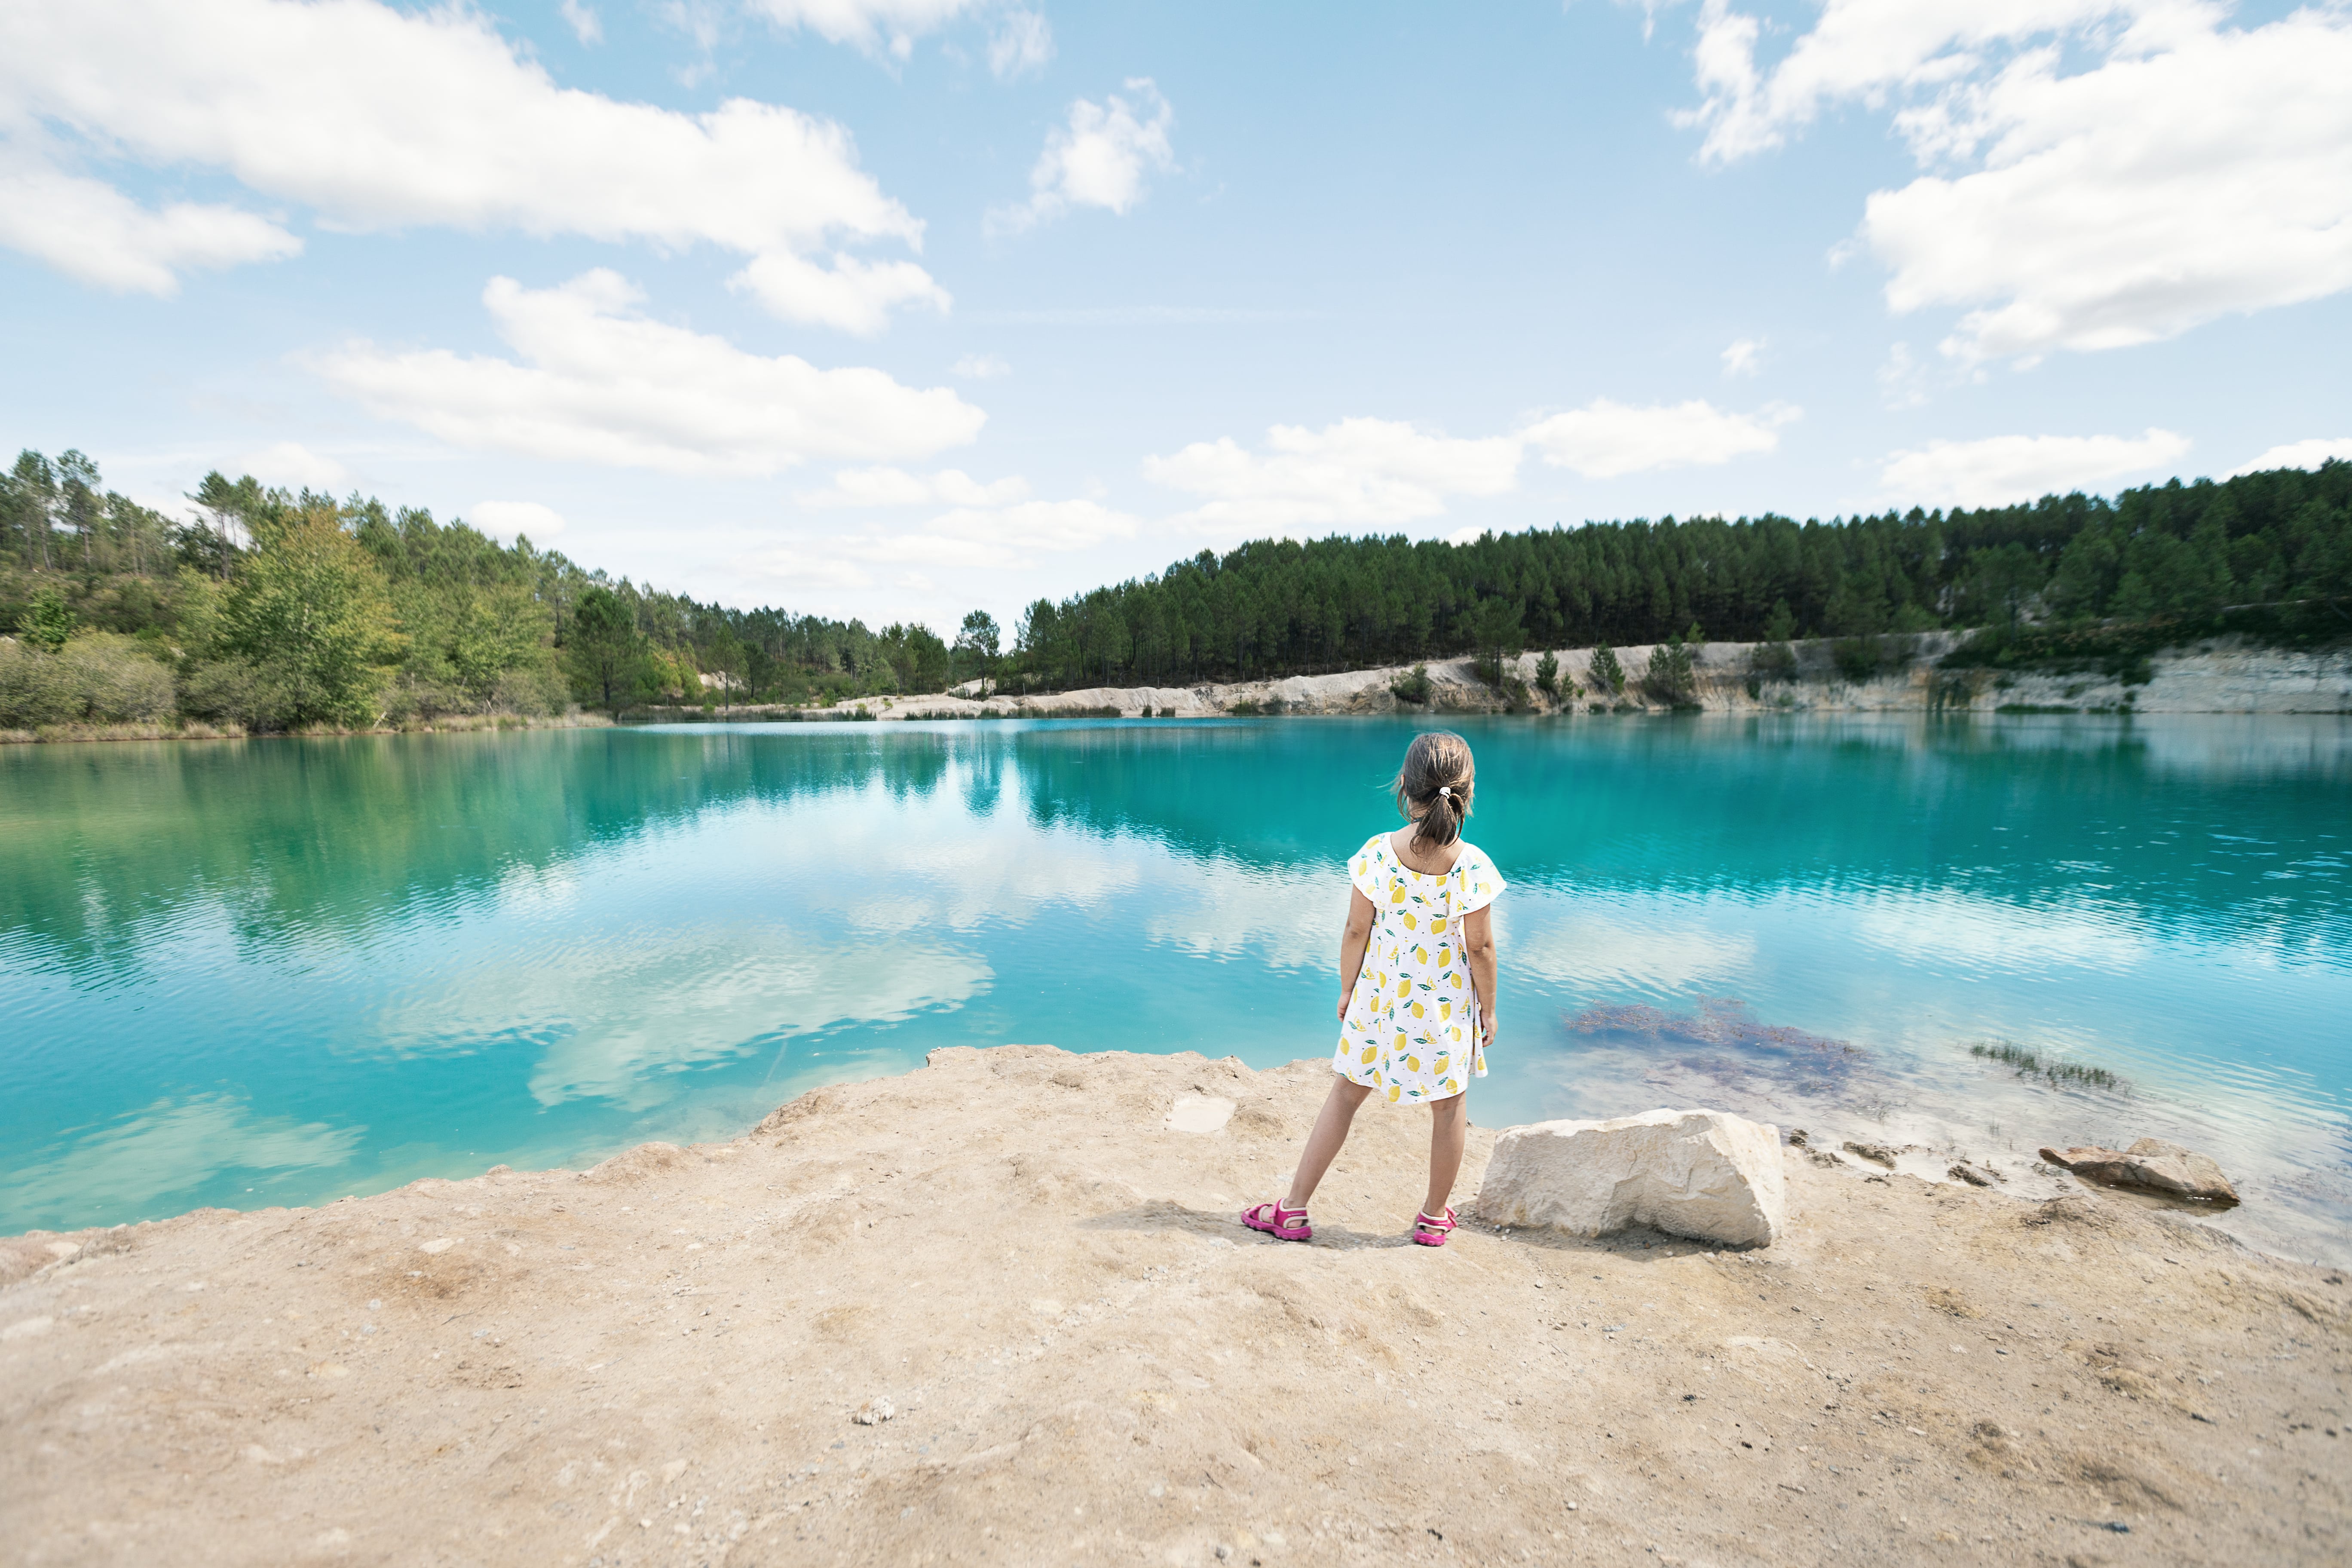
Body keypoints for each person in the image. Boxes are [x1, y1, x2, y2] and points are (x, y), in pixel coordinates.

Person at [1243, 730, 1504, 1248]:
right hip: (1443, 1011)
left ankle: (1292, 1210)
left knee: (1344, 1095)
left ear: (1405, 787)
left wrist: (1347, 989)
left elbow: (1356, 931)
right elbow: (1481, 950)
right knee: (1449, 1106)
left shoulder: (1377, 854)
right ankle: (1433, 1218)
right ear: (1467, 791)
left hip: (1380, 1003)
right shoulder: (1472, 865)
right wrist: (1489, 1011)